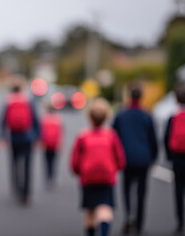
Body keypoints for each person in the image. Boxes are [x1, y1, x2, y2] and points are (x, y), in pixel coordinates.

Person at [71, 98, 126, 236]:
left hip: (88, 178)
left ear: (89, 117)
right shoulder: (111, 135)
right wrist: (116, 169)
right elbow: (120, 159)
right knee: (105, 209)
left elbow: (75, 160)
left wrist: (79, 171)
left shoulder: (82, 135)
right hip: (107, 177)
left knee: (90, 210)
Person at [113, 86, 158, 234]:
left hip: (126, 158)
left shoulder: (121, 115)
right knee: (141, 192)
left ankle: (128, 215)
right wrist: (153, 157)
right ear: (141, 97)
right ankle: (139, 224)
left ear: (129, 96)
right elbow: (153, 139)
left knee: (126, 189)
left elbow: (114, 138)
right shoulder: (146, 115)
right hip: (143, 158)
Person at [0, 75, 40, 205]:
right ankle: (26, 193)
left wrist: (2, 136)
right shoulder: (29, 99)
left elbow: (2, 120)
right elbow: (35, 119)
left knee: (15, 163)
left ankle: (16, 188)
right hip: (27, 137)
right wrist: (38, 136)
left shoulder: (8, 100)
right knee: (28, 166)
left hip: (13, 136)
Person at [164, 85, 185, 234]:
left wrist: (170, 157)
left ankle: (180, 223)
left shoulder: (173, 118)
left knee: (179, 191)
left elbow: (166, 139)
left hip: (177, 158)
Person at [40, 104, 63, 188]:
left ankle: (48, 176)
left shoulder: (44, 118)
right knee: (54, 161)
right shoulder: (58, 119)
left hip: (46, 144)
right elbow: (60, 133)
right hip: (55, 144)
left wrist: (40, 142)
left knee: (47, 161)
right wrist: (60, 144)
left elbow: (41, 132)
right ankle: (53, 176)